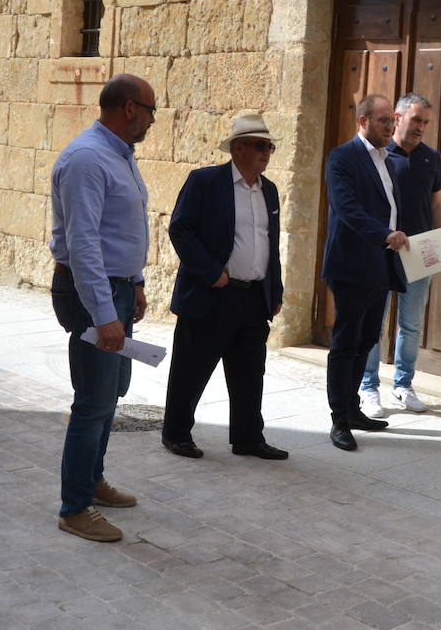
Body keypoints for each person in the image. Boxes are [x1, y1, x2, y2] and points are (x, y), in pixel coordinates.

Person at [49, 73, 155, 543]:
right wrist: (104, 315)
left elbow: (118, 231)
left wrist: (134, 282)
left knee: (110, 396)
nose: (154, 118)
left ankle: (92, 481)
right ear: (129, 107)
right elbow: (84, 243)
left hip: (115, 289)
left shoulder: (119, 156)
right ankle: (74, 508)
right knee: (92, 402)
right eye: (151, 108)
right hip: (92, 294)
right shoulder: (87, 159)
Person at [161, 111, 288, 462]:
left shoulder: (270, 191)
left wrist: (274, 290)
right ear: (238, 149)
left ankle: (248, 437)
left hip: (253, 296)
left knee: (250, 371)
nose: (267, 152)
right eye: (260, 146)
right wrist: (209, 271)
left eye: (270, 147)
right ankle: (176, 433)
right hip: (211, 293)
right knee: (192, 367)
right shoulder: (205, 182)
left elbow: (269, 244)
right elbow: (181, 230)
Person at [321, 93, 407, 451]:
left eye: (392, 121)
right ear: (364, 122)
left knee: (367, 339)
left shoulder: (389, 161)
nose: (390, 127)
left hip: (381, 264)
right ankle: (339, 419)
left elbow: (390, 210)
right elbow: (348, 209)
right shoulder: (342, 157)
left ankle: (353, 408)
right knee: (346, 342)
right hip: (351, 265)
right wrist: (385, 235)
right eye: (384, 120)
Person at [360, 93, 441, 417]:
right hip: (383, 251)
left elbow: (437, 202)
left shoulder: (431, 158)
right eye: (416, 120)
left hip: (420, 252)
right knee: (375, 321)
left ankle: (403, 385)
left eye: (425, 122)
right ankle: (368, 388)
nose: (421, 127)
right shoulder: (380, 155)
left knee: (411, 324)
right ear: (397, 118)